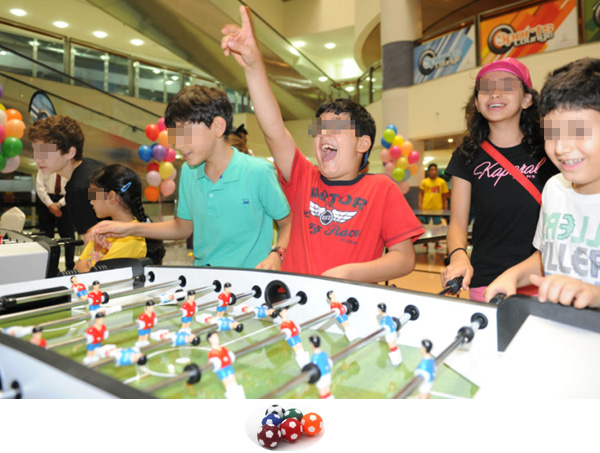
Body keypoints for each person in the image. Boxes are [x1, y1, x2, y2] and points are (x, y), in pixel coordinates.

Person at [221, 6, 424, 283]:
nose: (324, 135)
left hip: (351, 307)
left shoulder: (381, 189)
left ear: (362, 143)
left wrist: (350, 272)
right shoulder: (304, 178)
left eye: (337, 129)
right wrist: (255, 66)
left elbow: (404, 257)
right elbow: (273, 129)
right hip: (296, 305)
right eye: (320, 130)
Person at [90, 85, 291, 270]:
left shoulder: (258, 172)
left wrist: (277, 253)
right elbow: (182, 227)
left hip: (251, 284)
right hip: (204, 283)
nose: (177, 145)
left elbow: (287, 223)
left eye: (184, 135)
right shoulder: (189, 172)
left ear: (218, 127)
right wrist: (127, 229)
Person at [485, 58, 600, 309]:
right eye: (552, 133)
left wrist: (594, 294)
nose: (561, 148)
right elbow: (547, 255)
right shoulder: (554, 188)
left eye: (578, 131)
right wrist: (513, 275)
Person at [441, 58, 557, 301]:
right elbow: (458, 223)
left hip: (545, 279)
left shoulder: (550, 149)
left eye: (506, 86)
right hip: (486, 280)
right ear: (477, 101)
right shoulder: (466, 154)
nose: (494, 93)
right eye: (485, 88)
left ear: (527, 99)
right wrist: (459, 255)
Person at [74, 164, 165, 273]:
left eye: (94, 194)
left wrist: (83, 266)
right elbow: (76, 268)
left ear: (111, 197)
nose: (91, 201)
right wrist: (84, 267)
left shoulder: (131, 240)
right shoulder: (104, 230)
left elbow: (95, 277)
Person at [28, 115, 102, 244]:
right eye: (36, 152)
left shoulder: (78, 189)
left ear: (70, 153)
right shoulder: (91, 169)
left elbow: (96, 246)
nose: (38, 159)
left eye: (45, 152)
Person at [35, 169, 75, 270]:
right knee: (46, 236)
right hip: (45, 202)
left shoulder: (68, 168)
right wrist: (50, 205)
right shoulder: (44, 167)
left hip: (65, 201)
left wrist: (59, 204)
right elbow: (40, 188)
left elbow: (72, 189)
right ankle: (50, 267)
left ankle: (70, 266)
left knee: (68, 235)